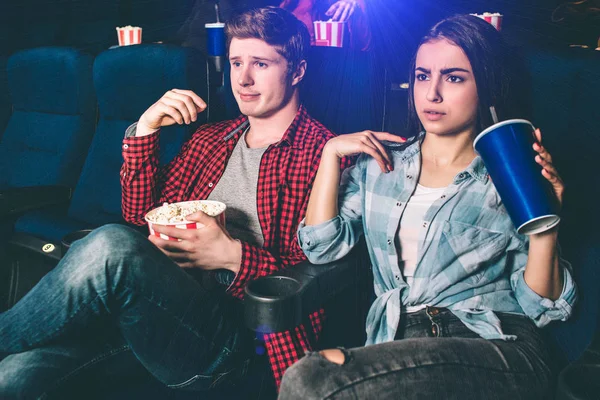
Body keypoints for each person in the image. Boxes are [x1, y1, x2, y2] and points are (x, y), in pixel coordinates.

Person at [0, 7, 351, 398]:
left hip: (231, 345)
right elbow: (139, 214)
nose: (244, 78)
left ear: (298, 71)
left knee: (109, 243)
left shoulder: (326, 155)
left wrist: (231, 256)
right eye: (236, 62)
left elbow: (319, 281)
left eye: (261, 63)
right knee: (13, 376)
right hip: (153, 312)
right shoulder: (208, 140)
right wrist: (145, 128)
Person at [278, 14, 578, 399]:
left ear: (486, 88)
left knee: (309, 380)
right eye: (422, 76)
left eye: (453, 78)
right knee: (311, 378)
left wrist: (545, 224)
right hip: (398, 339)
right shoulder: (380, 165)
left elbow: (542, 308)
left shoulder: (511, 174)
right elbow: (322, 246)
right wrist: (329, 154)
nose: (432, 93)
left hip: (496, 344)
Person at [279, 0, 371, 50]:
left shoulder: (352, 5)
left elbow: (364, 47)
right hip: (300, 74)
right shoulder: (292, 5)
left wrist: (357, 9)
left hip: (339, 75)